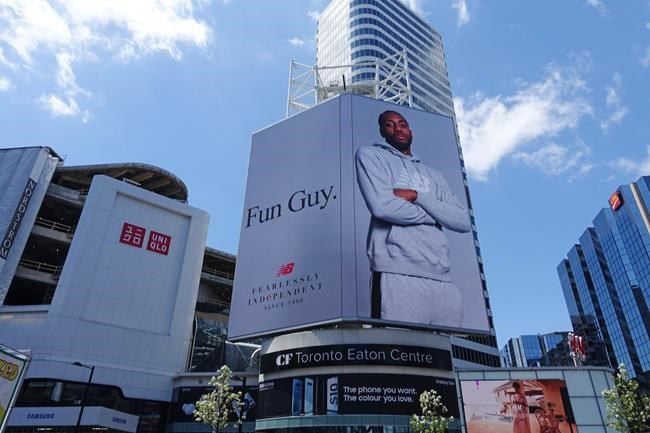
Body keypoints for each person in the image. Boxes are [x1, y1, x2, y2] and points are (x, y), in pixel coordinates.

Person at [355, 110, 471, 327]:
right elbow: (383, 208)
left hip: (443, 278)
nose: (398, 129)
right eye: (390, 125)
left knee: (443, 357)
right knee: (397, 353)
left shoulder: (435, 175)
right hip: (396, 273)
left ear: (411, 130)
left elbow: (462, 221)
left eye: (402, 124)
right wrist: (437, 215)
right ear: (382, 131)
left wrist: (417, 196)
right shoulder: (370, 155)